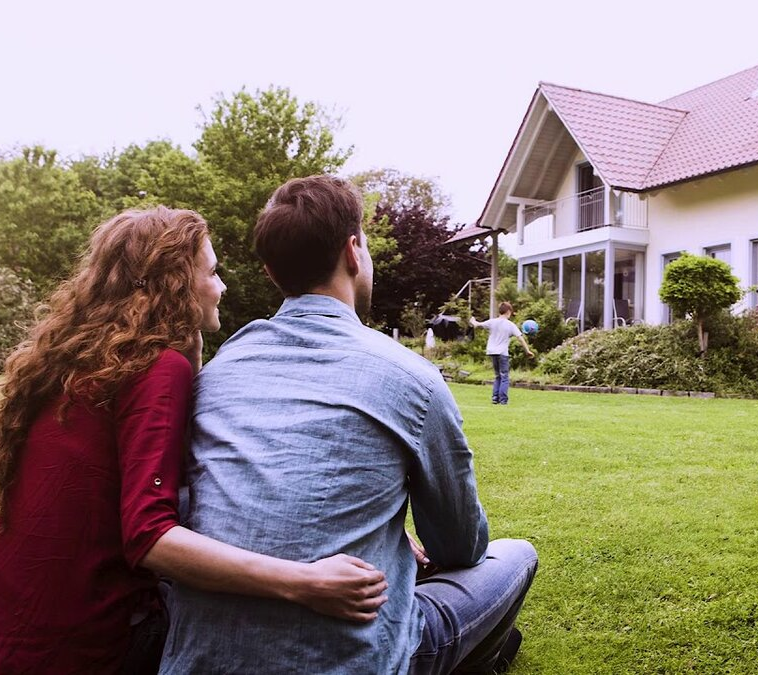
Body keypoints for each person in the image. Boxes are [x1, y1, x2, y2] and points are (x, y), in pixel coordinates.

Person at [0, 207, 389, 675]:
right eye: (212, 272)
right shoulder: (154, 369)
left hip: (14, 644)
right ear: (173, 285)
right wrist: (305, 582)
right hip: (93, 649)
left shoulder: (80, 361)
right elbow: (151, 540)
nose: (222, 287)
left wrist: (192, 355)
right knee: (257, 623)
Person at [162, 176, 538, 675]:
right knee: (514, 555)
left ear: (272, 273)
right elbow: (459, 545)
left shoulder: (222, 369)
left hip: (200, 661)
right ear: (353, 251)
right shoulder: (410, 377)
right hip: (351, 657)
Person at [469, 302, 534, 405]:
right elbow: (520, 339)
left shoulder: (492, 322)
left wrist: (473, 320)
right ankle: (503, 400)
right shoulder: (510, 325)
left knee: (497, 375)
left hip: (492, 351)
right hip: (502, 353)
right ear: (508, 312)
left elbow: (477, 325)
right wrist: (527, 351)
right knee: (504, 376)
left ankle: (495, 398)